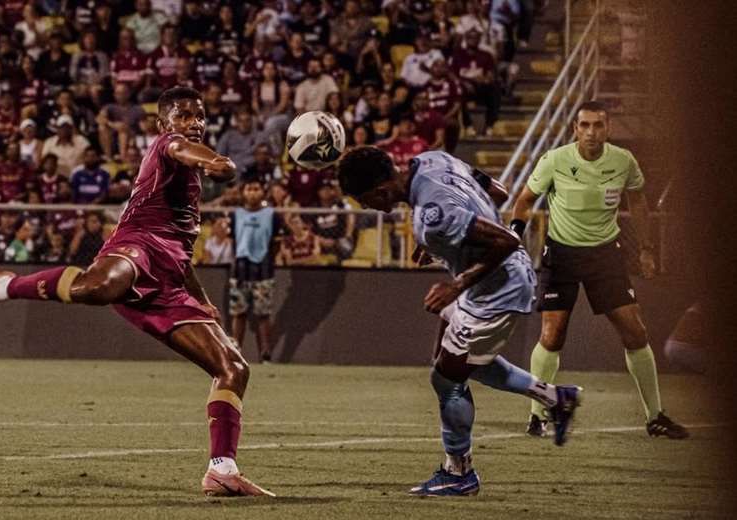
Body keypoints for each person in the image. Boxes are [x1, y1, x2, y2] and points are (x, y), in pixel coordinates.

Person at [0, 87, 272, 497]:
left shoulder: (187, 186)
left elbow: (181, 253)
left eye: (200, 116)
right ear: (163, 124)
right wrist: (221, 162)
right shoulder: (170, 145)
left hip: (169, 278)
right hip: (135, 247)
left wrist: (200, 297)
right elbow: (205, 160)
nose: (194, 123)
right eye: (185, 116)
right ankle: (4, 285)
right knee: (96, 287)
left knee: (234, 367)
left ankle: (222, 469)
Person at [336, 146, 581, 496]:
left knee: (447, 379)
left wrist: (456, 283)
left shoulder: (433, 215)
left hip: (497, 291)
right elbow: (496, 191)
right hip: (490, 284)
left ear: (380, 191)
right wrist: (449, 245)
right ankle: (557, 398)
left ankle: (459, 472)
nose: (367, 208)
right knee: (464, 365)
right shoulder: (433, 159)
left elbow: (508, 239)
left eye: (364, 201)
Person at [509, 101, 689, 439]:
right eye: (585, 125)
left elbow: (637, 200)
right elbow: (523, 200)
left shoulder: (623, 162)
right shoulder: (555, 160)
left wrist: (647, 249)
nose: (591, 132)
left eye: (598, 125)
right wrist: (514, 239)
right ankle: (537, 416)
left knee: (636, 333)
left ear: (609, 129)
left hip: (605, 256)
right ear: (575, 128)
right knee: (552, 335)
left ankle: (655, 417)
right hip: (561, 254)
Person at [228, 176, 279, 362]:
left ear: (263, 192)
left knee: (263, 313)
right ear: (243, 192)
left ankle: (265, 353)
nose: (252, 192)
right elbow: (234, 241)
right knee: (238, 312)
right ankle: (236, 352)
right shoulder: (235, 214)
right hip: (240, 269)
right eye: (249, 188)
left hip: (263, 269)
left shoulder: (272, 215)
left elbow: (275, 243)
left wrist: (268, 260)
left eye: (256, 188)